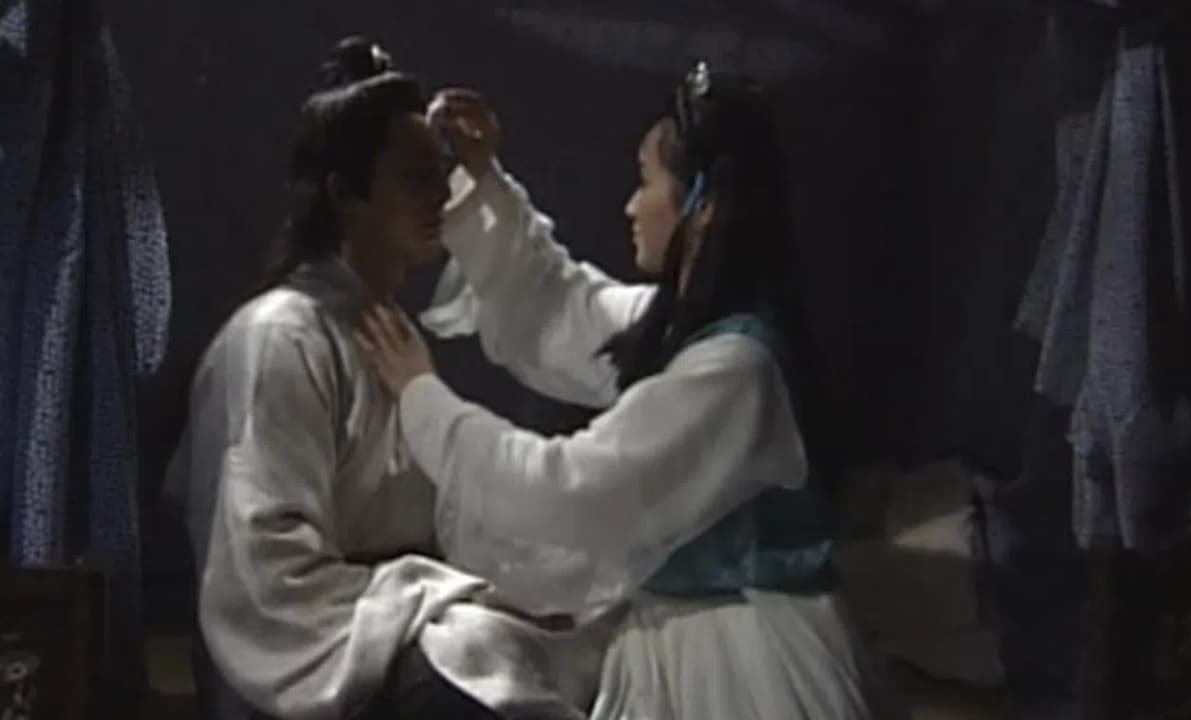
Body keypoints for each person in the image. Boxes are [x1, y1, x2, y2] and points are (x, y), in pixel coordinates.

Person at [358, 63, 908, 719]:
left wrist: (425, 401)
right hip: (674, 641)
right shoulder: (684, 332)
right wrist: (482, 175)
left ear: (702, 206)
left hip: (742, 663)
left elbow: (577, 488)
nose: (630, 205)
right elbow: (563, 310)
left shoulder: (736, 369)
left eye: (646, 182)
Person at [164, 37, 602, 720]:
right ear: (345, 194)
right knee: (483, 658)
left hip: (396, 617)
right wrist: (432, 597)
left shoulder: (387, 331)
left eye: (440, 172)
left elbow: (451, 518)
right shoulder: (278, 336)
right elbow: (262, 572)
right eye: (414, 177)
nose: (440, 195)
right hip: (314, 656)